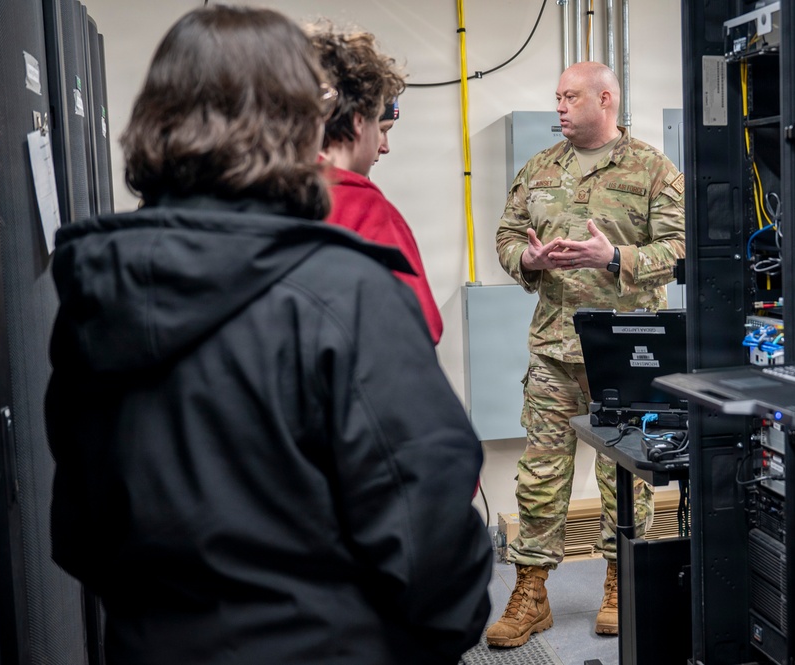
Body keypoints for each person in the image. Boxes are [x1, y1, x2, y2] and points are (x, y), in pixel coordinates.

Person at [44, 6, 492, 664]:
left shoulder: (98, 291)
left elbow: (79, 533)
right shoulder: (347, 291)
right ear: (301, 121)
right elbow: (433, 535)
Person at [487, 60, 685, 647]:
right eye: (556, 97)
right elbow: (506, 236)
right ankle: (531, 593)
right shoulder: (540, 167)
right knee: (541, 474)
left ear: (605, 99)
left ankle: (621, 581)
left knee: (625, 477)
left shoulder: (653, 169)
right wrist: (527, 260)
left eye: (570, 97)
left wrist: (616, 257)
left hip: (626, 353)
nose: (559, 107)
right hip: (553, 347)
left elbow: (681, 248)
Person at [309, 24, 444, 344]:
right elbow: (422, 328)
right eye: (380, 128)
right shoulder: (367, 212)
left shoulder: (264, 193)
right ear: (359, 121)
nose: (385, 147)